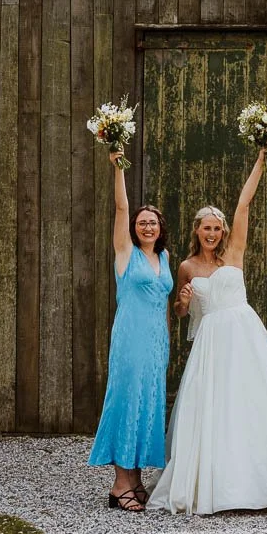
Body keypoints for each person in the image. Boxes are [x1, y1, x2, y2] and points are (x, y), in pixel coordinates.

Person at [147, 148, 267, 514]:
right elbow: (180, 312)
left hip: (244, 335)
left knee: (255, 402)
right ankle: (220, 484)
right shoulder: (186, 266)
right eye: (206, 228)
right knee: (215, 407)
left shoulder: (234, 253)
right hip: (211, 341)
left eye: (217, 228)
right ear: (197, 231)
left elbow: (243, 206)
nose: (212, 233)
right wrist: (182, 299)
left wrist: (260, 160)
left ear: (223, 231)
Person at [87, 151, 173, 512]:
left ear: (160, 227)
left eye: (152, 222)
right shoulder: (126, 253)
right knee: (127, 402)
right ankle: (119, 482)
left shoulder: (165, 258)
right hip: (130, 339)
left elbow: (165, 304)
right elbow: (121, 210)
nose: (147, 227)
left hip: (157, 343)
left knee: (148, 404)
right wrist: (119, 167)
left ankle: (135, 479)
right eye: (142, 222)